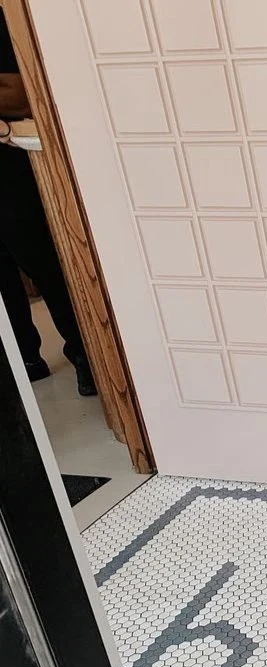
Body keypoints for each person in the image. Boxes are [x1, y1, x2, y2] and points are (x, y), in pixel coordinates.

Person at [0, 14, 95, 396]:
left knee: (45, 265)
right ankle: (25, 362)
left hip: (10, 165)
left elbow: (22, 93)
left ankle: (86, 357)